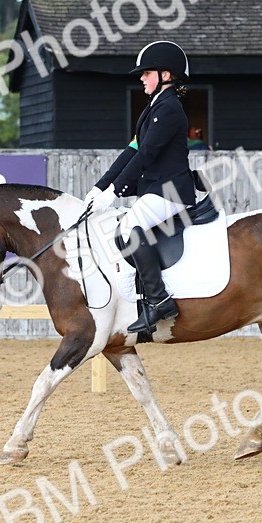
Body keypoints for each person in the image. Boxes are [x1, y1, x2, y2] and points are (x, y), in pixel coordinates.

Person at [84, 40, 197, 335]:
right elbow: (132, 150)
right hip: (156, 190)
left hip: (170, 192)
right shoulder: (153, 108)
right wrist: (102, 185)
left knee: (127, 229)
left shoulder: (169, 108)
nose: (142, 78)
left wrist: (116, 192)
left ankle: (159, 301)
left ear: (166, 75)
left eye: (147, 73)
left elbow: (147, 156)